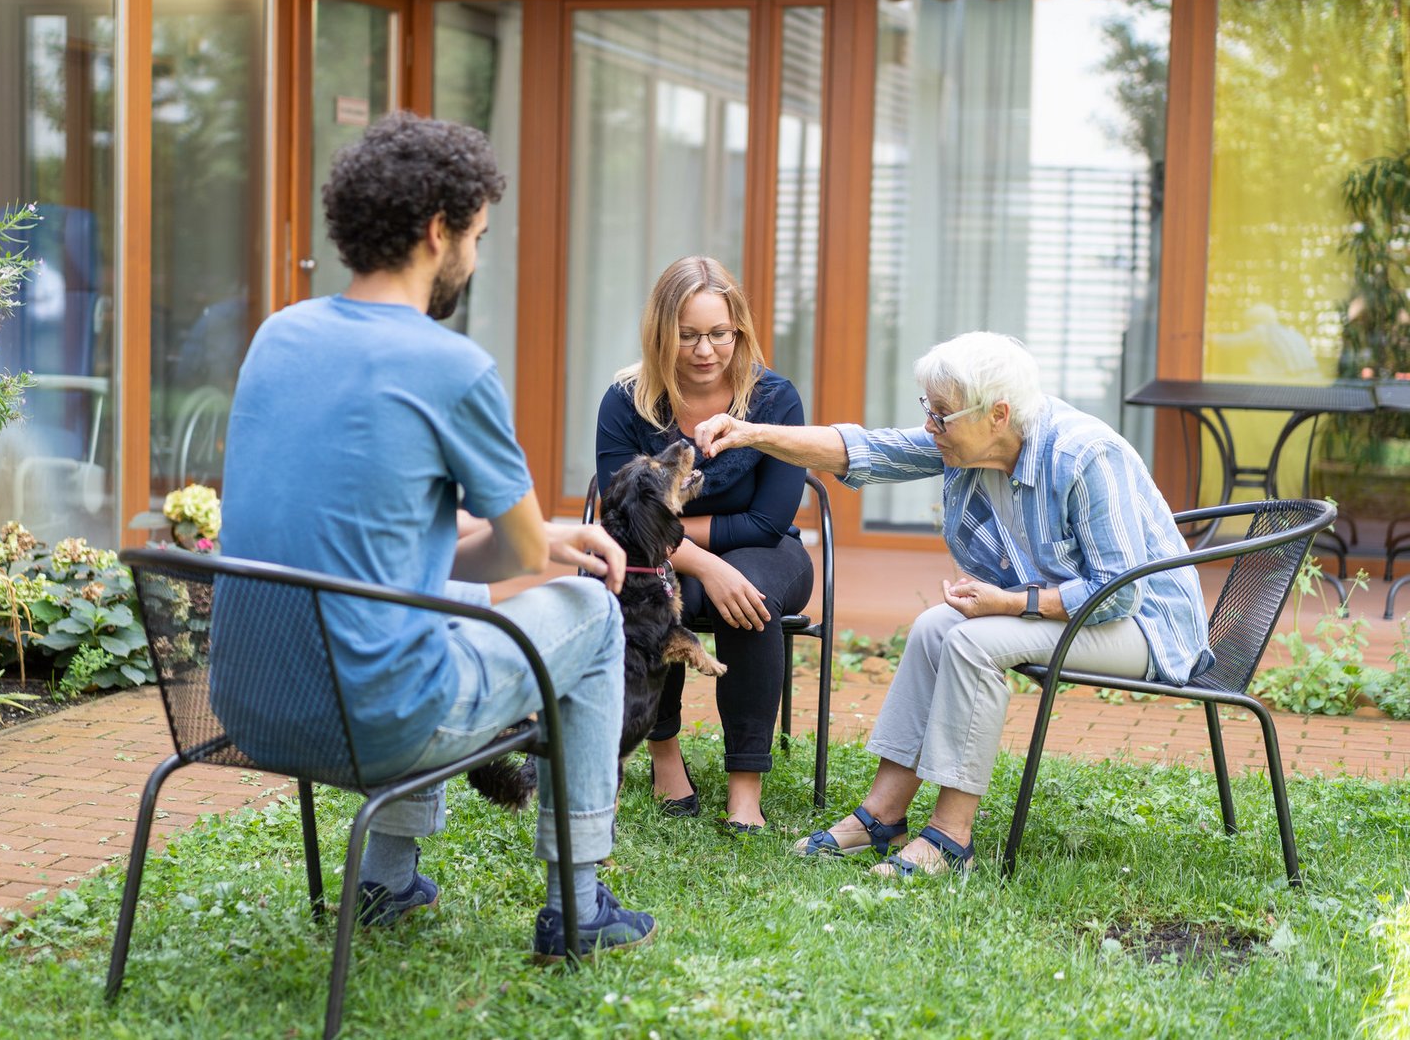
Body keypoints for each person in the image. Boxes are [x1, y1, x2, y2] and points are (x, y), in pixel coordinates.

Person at [217, 112, 656, 959]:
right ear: (437, 231)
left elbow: (369, 534)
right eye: (478, 237)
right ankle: (582, 905)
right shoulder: (452, 366)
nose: (477, 260)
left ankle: (386, 880)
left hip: (250, 703)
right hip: (375, 721)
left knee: (426, 599)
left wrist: (535, 536)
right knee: (597, 620)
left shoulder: (280, 334)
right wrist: (543, 539)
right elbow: (521, 557)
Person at [692, 332, 1211, 876]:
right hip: (1075, 608)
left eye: (941, 414)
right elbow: (864, 450)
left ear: (998, 413)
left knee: (972, 642)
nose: (930, 426)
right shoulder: (971, 443)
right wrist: (749, 433)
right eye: (929, 410)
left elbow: (1119, 590)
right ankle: (882, 815)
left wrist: (1011, 604)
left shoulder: (1083, 455)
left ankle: (949, 838)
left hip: (1145, 624)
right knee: (933, 627)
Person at [596, 255, 814, 833]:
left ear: (737, 330)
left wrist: (698, 558)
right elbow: (619, 513)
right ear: (661, 333)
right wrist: (701, 565)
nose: (703, 350)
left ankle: (746, 785)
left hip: (765, 550)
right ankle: (663, 752)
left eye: (718, 334)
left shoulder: (773, 400)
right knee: (649, 597)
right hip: (654, 559)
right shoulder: (627, 401)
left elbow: (768, 521)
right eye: (686, 335)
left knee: (749, 598)